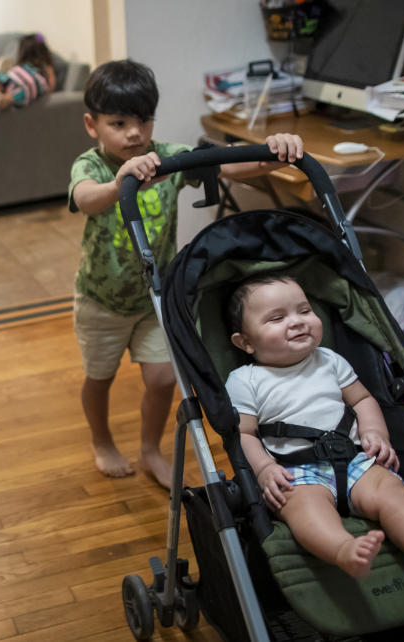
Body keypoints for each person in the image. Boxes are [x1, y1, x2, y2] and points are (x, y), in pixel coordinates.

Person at [68, 59, 303, 489]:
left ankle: (150, 449)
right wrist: (119, 180)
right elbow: (85, 199)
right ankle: (101, 440)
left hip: (154, 297)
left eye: (143, 120)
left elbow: (227, 165)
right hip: (100, 301)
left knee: (161, 380)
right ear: (92, 124)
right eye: (118, 123)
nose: (134, 133)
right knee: (99, 378)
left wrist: (273, 154)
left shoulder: (167, 159)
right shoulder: (93, 166)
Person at [224, 274, 404, 587]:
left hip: (357, 458)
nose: (297, 322)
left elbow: (362, 399)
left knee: (395, 496)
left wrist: (376, 432)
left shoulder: (329, 360)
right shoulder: (245, 380)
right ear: (245, 342)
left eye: (305, 311)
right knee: (303, 508)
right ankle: (343, 549)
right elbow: (245, 434)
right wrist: (264, 469)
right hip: (297, 471)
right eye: (277, 318)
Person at [0, 34, 57, 124]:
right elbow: (50, 88)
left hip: (15, 74)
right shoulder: (46, 68)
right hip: (29, 85)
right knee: (10, 98)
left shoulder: (20, 67)